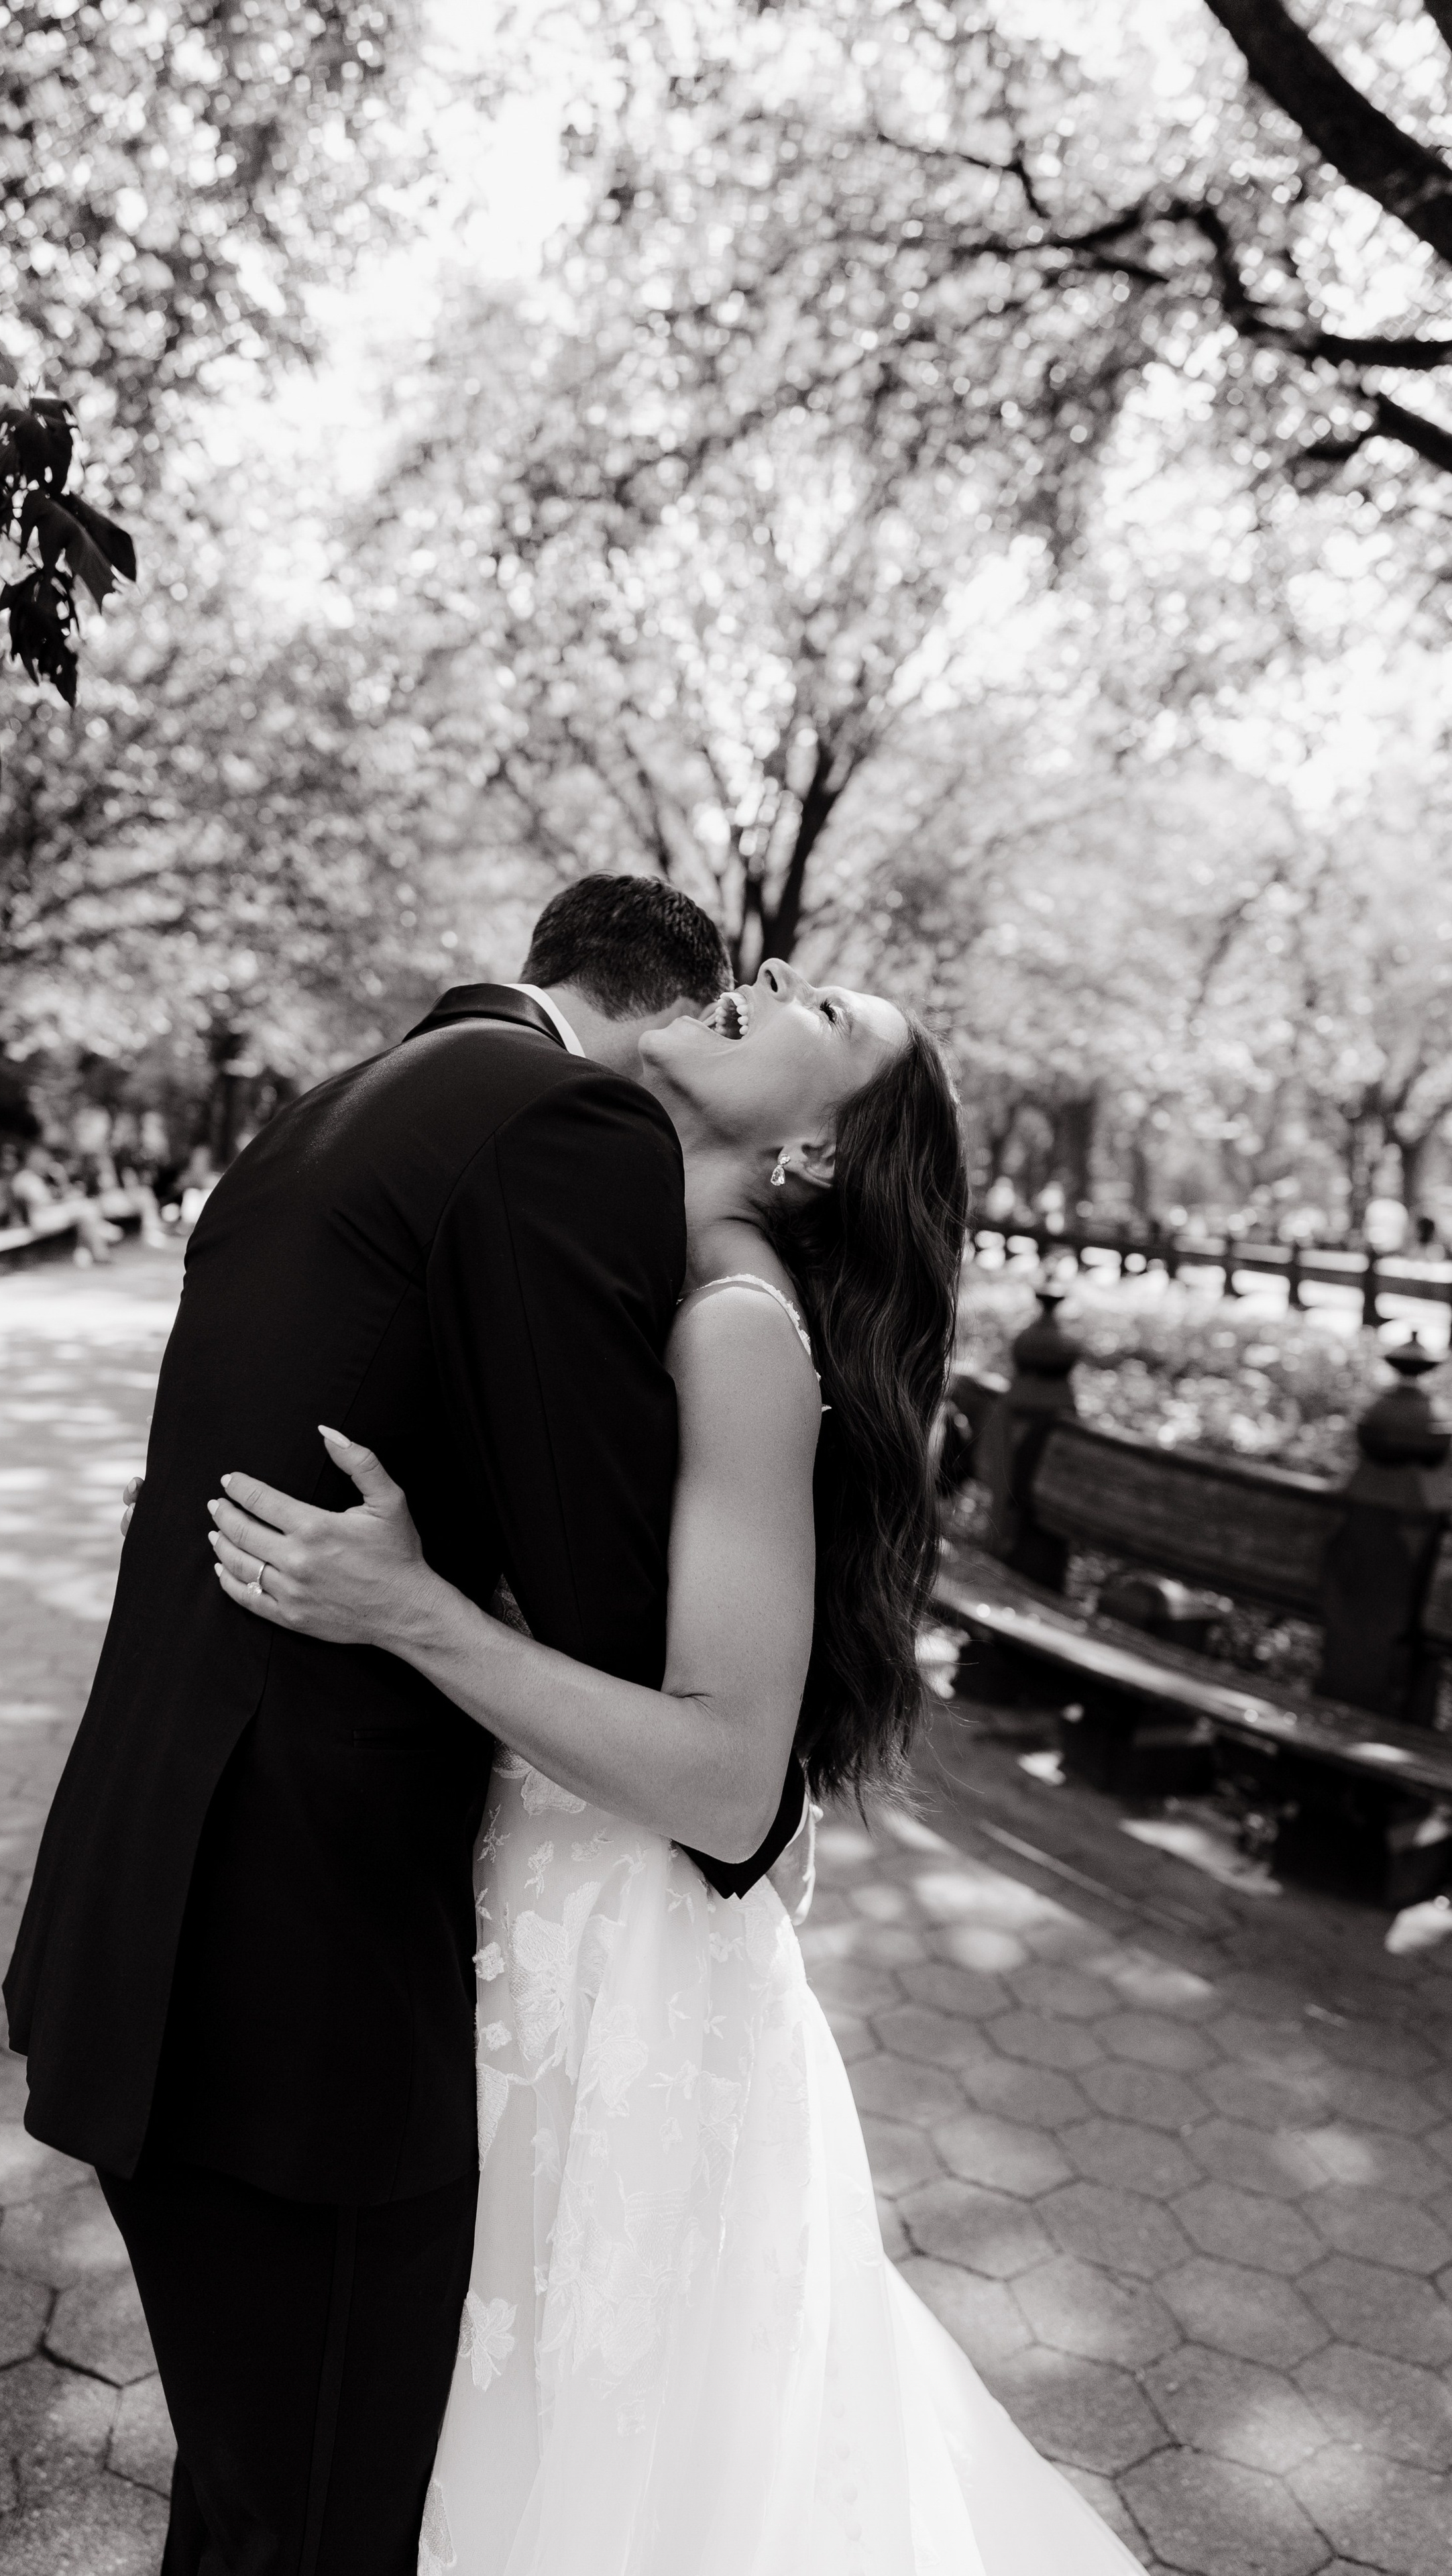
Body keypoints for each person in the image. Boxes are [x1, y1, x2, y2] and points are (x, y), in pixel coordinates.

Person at [200, 961, 1146, 2575]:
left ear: (822, 1156)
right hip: (506, 1920)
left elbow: (723, 1781)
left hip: (620, 1968)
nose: (768, 972)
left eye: (826, 1014)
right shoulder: (615, 1262)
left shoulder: (734, 1327)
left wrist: (411, 1612)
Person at [3, 875, 766, 2576]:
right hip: (309, 2001)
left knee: (253, 2500)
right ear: (650, 1023)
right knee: (331, 2521)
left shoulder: (329, 1111)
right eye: (722, 1026)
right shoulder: (569, 1121)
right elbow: (613, 1601)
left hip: (159, 1924)